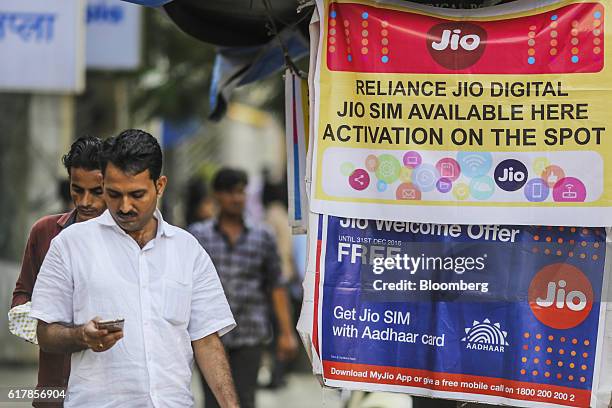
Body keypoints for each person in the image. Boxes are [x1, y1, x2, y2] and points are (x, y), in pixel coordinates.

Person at [30, 129, 239, 407]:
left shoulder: (188, 250)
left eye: (137, 194)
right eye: (114, 194)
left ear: (160, 185)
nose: (125, 206)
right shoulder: (69, 245)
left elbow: (207, 341)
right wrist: (81, 335)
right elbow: (45, 334)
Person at [188, 167, 299, 408]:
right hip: (210, 335)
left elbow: (276, 286)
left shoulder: (263, 235)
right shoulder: (198, 236)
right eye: (229, 192)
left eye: (240, 192)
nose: (236, 198)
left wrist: (286, 333)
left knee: (246, 400)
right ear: (217, 195)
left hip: (250, 335)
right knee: (212, 401)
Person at [9, 136, 106, 407]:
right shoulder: (45, 232)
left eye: (96, 191)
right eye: (77, 190)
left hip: (106, 388)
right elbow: (22, 293)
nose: (85, 201)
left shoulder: (128, 239)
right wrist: (38, 319)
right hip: (54, 385)